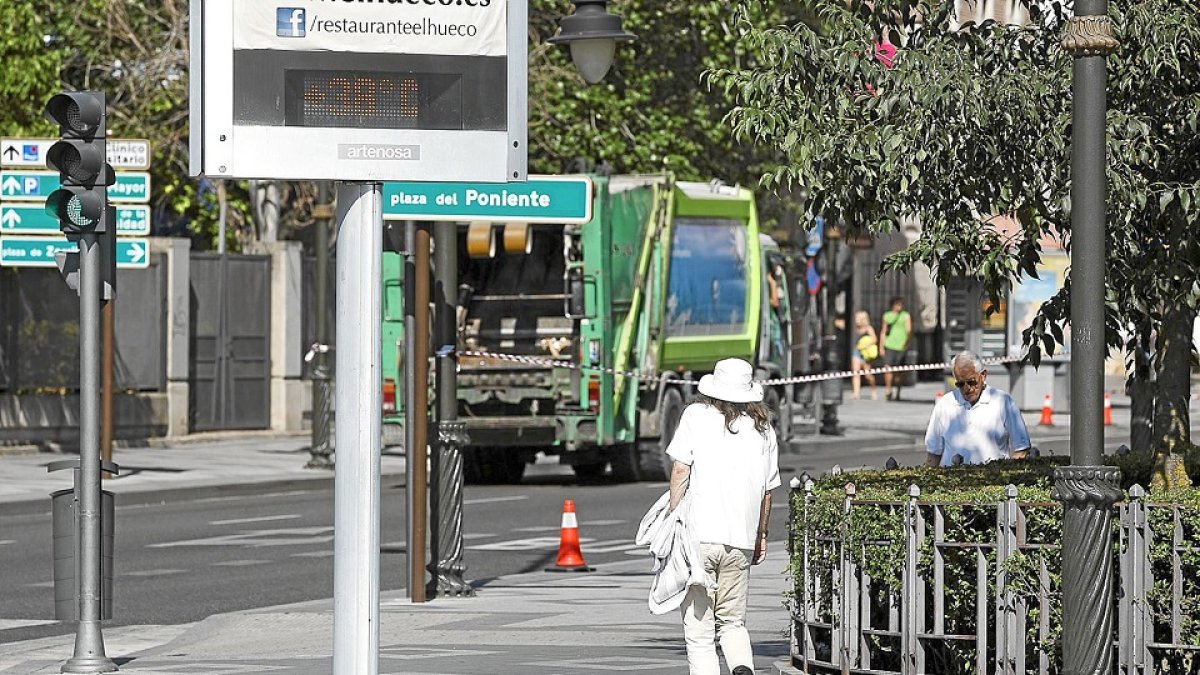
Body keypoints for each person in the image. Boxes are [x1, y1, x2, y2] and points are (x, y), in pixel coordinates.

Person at [666, 358, 781, 675]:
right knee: (733, 621)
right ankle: (742, 667)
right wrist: (761, 536)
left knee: (699, 631)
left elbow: (680, 470)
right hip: (740, 539)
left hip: (699, 537)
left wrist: (675, 516)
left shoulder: (695, 416)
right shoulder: (763, 429)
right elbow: (767, 492)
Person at [924, 351, 1031, 466]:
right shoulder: (945, 404)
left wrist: (1005, 475)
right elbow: (933, 454)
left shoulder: (1002, 402)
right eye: (960, 384)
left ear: (983, 375)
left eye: (971, 382)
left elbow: (1022, 449)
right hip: (951, 480)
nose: (967, 389)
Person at [879, 296, 913, 400]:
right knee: (887, 368)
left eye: (901, 304)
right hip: (889, 345)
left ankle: (898, 391)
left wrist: (907, 342)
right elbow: (883, 331)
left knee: (899, 371)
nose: (899, 307)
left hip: (901, 346)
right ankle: (888, 389)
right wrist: (881, 346)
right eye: (897, 304)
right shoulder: (887, 315)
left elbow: (909, 330)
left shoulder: (905, 316)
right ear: (892, 305)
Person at [850, 310, 879, 400]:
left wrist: (865, 345)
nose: (856, 320)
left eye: (858, 318)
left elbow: (874, 339)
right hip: (856, 352)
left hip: (865, 353)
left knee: (867, 374)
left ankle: (873, 390)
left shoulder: (868, 328)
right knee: (856, 373)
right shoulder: (854, 328)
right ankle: (856, 393)